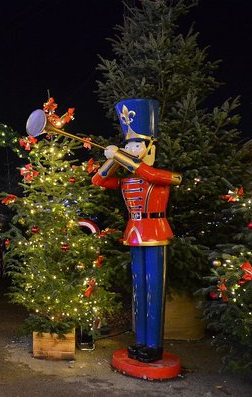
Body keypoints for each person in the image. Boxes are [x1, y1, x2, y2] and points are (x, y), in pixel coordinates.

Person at [91, 99, 182, 363]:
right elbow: (98, 180)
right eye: (128, 144)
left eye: (137, 144)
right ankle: (140, 341)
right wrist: (112, 160)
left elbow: (150, 175)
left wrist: (119, 155)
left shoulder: (160, 174)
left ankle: (154, 346)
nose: (131, 148)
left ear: (150, 147)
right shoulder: (127, 177)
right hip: (135, 232)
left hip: (156, 231)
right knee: (138, 290)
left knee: (154, 288)